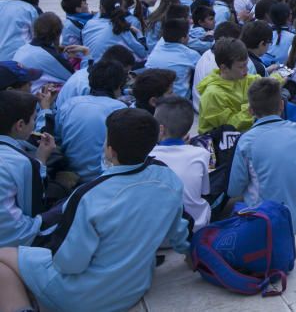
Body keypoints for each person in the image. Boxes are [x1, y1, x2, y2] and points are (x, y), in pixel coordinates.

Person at [0, 109, 190, 312]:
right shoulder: (169, 179)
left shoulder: (88, 195)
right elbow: (179, 233)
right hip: (133, 289)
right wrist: (189, 253)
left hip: (81, 298)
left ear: (110, 150)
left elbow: (69, 264)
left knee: (4, 257)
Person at [227, 78, 296, 234]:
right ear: (282, 105)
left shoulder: (245, 141)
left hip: (271, 218)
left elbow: (234, 189)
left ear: (250, 111)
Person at [55, 59, 128, 181]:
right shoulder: (120, 109)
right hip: (102, 179)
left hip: (69, 176)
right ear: (119, 85)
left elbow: (57, 139)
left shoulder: (69, 104)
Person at [0, 90, 56, 247]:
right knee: (67, 206)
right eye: (33, 119)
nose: (34, 124)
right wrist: (41, 160)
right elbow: (34, 208)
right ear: (20, 125)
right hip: (11, 239)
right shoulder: (22, 162)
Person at [151, 96, 212, 232]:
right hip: (194, 227)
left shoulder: (147, 155)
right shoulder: (202, 154)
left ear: (160, 129)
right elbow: (204, 191)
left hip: (156, 234)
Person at [196, 38, 259, 133]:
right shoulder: (212, 94)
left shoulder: (240, 78)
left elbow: (260, 82)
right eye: (241, 66)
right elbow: (229, 125)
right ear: (224, 68)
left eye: (247, 65)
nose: (246, 70)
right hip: (220, 141)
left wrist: (278, 77)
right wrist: (253, 108)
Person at [12, 13, 79, 92]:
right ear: (58, 34)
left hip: (20, 94)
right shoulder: (51, 57)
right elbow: (74, 78)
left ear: (35, 29)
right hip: (36, 99)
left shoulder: (22, 49)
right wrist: (86, 55)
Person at [81, 0, 147, 63]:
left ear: (101, 8)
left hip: (85, 66)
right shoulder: (119, 27)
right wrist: (139, 33)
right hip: (103, 70)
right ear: (121, 7)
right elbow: (143, 53)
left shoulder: (89, 23)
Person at [144, 18, 201, 100]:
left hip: (153, 99)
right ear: (183, 38)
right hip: (179, 103)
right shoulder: (191, 55)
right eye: (188, 34)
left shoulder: (158, 45)